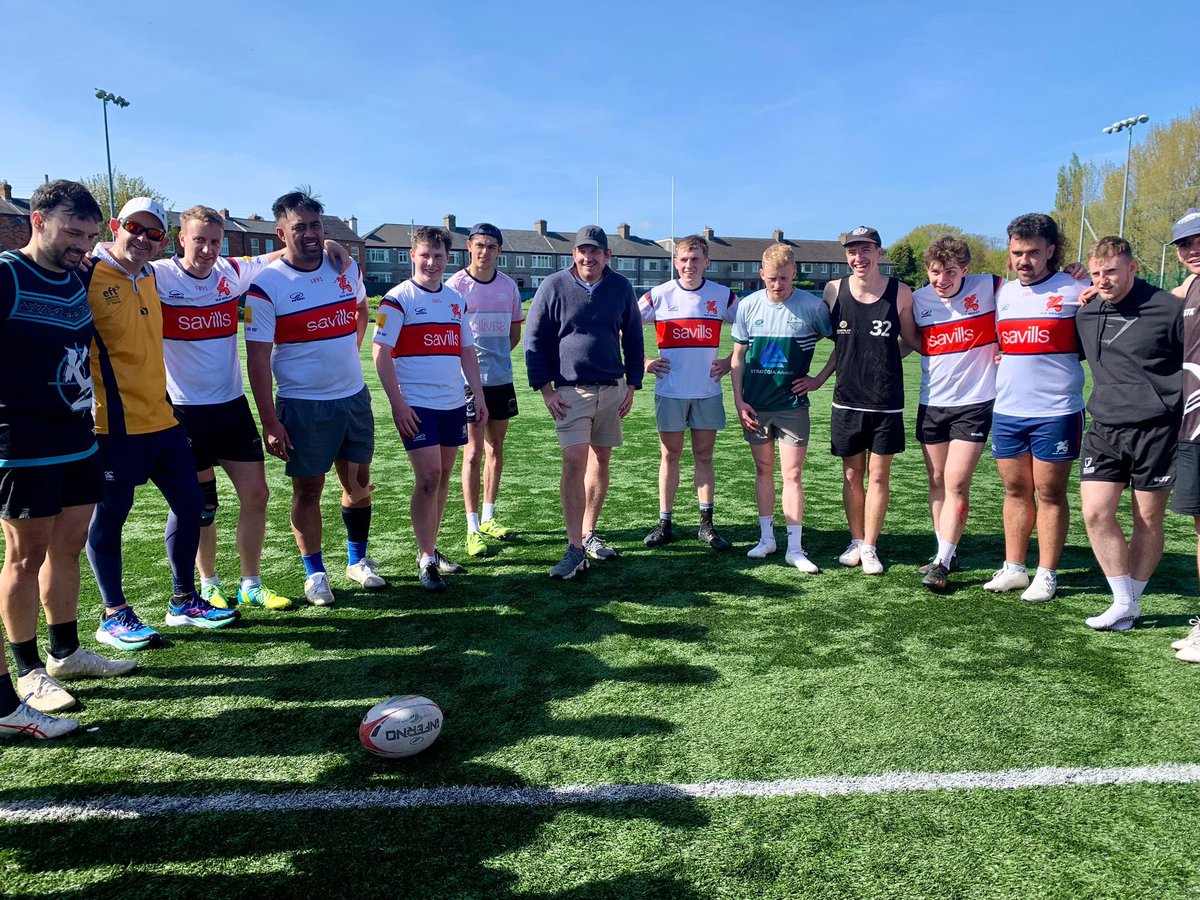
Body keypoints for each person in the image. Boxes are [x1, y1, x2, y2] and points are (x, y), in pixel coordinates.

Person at [152, 206, 344, 612]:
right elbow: (108, 252)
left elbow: (282, 252)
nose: (207, 249)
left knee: (256, 494)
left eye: (214, 241)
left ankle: (250, 583)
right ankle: (208, 584)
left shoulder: (232, 271)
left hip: (231, 404)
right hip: (184, 409)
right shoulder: (159, 275)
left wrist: (329, 244)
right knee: (203, 506)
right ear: (180, 238)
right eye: (199, 239)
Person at [0, 181, 136, 740]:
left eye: (89, 234)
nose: (83, 243)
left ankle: (65, 650)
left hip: (79, 435)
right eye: (72, 232)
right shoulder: (7, 274)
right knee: (24, 555)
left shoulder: (79, 276)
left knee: (69, 544)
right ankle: (28, 669)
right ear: (37, 221)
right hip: (23, 445)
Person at [85, 198, 239, 651]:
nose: (144, 239)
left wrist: (332, 244)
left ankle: (184, 601)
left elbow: (243, 259)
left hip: (163, 417)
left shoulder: (153, 274)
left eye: (154, 234)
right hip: (111, 426)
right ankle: (113, 614)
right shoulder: (88, 273)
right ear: (116, 226)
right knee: (111, 517)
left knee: (193, 505)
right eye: (136, 228)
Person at [244, 190, 383, 607]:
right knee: (308, 489)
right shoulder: (265, 287)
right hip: (303, 405)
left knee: (358, 483)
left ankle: (358, 561)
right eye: (299, 227)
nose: (309, 234)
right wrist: (270, 421)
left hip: (353, 398)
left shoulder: (344, 265)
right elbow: (257, 361)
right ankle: (315, 573)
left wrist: (346, 353)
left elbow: (360, 310)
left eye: (315, 226)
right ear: (280, 232)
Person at [1072, 236, 1182, 633]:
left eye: (1112, 272)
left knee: (1147, 519)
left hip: (1157, 429)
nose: (1104, 280)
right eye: (1097, 273)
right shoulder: (1086, 313)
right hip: (1103, 426)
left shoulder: (1170, 309)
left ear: (1133, 267)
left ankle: (1131, 601)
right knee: (1096, 512)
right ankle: (1123, 601)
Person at [524, 225, 643, 579]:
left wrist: (632, 385)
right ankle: (574, 547)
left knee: (600, 460)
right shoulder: (553, 285)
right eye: (582, 251)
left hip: (611, 389)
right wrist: (545, 390)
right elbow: (534, 339)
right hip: (569, 392)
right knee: (574, 461)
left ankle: (589, 534)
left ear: (608, 255)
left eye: (596, 252)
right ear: (573, 254)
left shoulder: (621, 287)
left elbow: (634, 337)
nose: (588, 257)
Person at [373, 226, 487, 591]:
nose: (432, 262)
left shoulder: (455, 300)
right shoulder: (396, 299)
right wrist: (398, 403)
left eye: (439, 256)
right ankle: (425, 559)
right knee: (428, 477)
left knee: (441, 478)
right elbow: (381, 354)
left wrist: (478, 394)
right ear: (412, 255)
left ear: (447, 258)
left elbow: (466, 350)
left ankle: (432, 549)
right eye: (425, 255)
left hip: (453, 402)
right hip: (416, 406)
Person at [983, 213, 1088, 603]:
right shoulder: (1004, 294)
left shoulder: (1076, 287)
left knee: (1050, 493)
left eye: (1032, 253)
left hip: (1057, 412)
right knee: (1014, 490)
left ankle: (1046, 573)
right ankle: (1014, 568)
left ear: (1051, 251)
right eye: (1016, 253)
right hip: (1008, 409)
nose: (1024, 261)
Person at [807, 226, 917, 575]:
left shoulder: (900, 292)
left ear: (879, 253)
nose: (859, 257)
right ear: (846, 256)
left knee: (879, 476)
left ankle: (870, 546)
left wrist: (884, 359)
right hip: (847, 401)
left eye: (866, 249)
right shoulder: (833, 290)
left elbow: (913, 339)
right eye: (852, 251)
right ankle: (856, 540)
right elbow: (838, 347)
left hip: (886, 403)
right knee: (853, 474)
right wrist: (819, 379)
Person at [901, 237, 1003, 592]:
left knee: (957, 482)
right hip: (932, 402)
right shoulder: (918, 299)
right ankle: (945, 548)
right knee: (937, 481)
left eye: (950, 272)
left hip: (974, 402)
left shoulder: (990, 286)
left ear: (965, 270)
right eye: (934, 272)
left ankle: (942, 562)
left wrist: (1073, 274)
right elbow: (908, 341)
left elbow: (1032, 293)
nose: (941, 279)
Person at [731, 243, 832, 571]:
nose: (778, 285)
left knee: (792, 474)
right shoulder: (747, 306)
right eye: (772, 278)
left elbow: (841, 346)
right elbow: (737, 358)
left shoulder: (813, 307)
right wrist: (738, 399)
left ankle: (795, 548)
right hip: (756, 407)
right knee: (763, 471)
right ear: (762, 274)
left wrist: (817, 380)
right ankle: (766, 539)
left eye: (785, 279)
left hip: (792, 407)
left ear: (795, 275)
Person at [639, 235, 737, 551]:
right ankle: (665, 523)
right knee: (670, 454)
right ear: (675, 262)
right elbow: (621, 326)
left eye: (695, 259)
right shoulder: (658, 295)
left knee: (704, 455)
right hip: (670, 391)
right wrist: (644, 361)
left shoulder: (722, 296)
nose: (689, 265)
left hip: (707, 391)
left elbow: (753, 328)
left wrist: (731, 360)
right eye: (683, 259)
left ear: (706, 262)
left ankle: (706, 525)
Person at [445, 223, 523, 558]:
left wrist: (496, 359)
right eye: (479, 245)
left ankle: (490, 517)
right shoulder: (455, 285)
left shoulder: (508, 286)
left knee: (496, 449)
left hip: (501, 379)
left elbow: (514, 333)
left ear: (499, 251)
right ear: (469, 246)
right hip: (467, 384)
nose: (485, 251)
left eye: (491, 246)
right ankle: (472, 527)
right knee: (473, 453)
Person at [1162, 210, 1200, 661]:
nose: (1192, 249)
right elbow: (1152, 298)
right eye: (1184, 244)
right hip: (1192, 425)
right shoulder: (1188, 289)